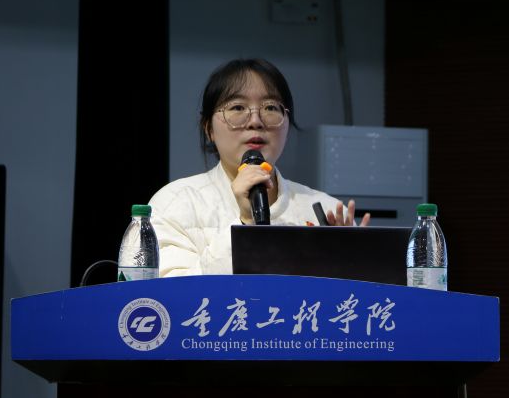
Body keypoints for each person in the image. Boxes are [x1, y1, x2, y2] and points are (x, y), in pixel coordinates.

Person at [150, 58, 370, 277]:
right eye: (237, 107)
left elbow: (358, 296)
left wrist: (350, 264)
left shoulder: (328, 210)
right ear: (209, 128)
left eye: (270, 107)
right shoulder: (175, 204)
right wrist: (245, 224)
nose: (255, 121)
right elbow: (169, 292)